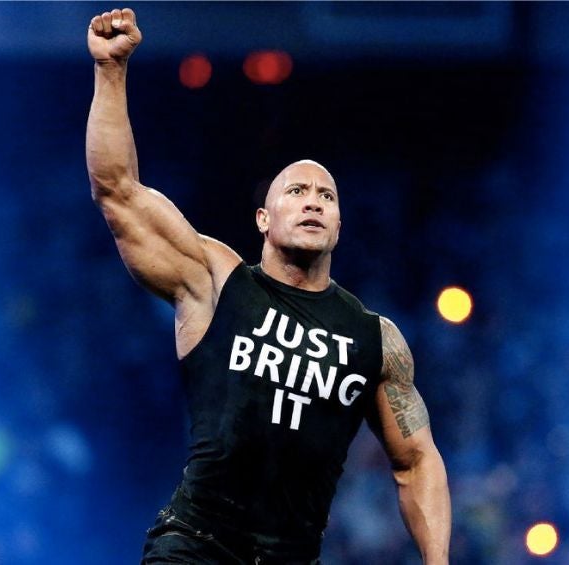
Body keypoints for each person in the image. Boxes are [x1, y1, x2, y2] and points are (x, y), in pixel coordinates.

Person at [86, 8, 451, 564]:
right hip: (195, 545)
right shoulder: (217, 282)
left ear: (339, 226)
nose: (313, 202)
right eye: (296, 192)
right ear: (263, 219)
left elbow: (417, 460)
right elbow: (117, 191)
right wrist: (111, 71)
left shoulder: (373, 339)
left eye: (326, 196)